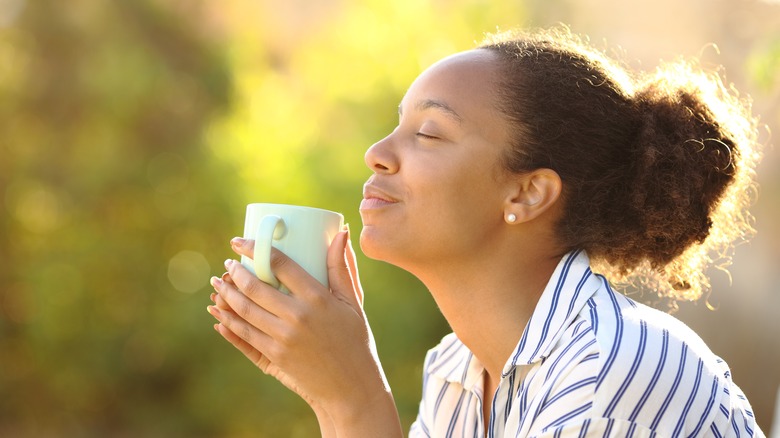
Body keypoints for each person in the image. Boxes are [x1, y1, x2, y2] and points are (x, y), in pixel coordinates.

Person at [206, 26, 765, 437]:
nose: (376, 154)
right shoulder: (460, 371)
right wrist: (333, 392)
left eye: (428, 132)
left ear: (526, 193)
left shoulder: (610, 370)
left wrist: (352, 399)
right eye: (396, 126)